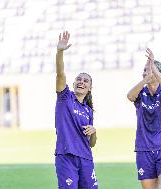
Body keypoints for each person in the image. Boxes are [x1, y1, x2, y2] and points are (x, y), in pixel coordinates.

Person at [127, 48, 161, 189]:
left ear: (159, 73)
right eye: (144, 70)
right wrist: (145, 80)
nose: (146, 72)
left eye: (149, 70)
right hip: (144, 149)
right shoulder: (141, 92)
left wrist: (153, 68)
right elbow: (130, 96)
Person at [54, 31, 98, 189]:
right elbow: (60, 74)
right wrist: (60, 52)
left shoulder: (88, 111)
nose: (82, 82)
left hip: (86, 158)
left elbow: (91, 144)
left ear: (90, 87)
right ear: (73, 83)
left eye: (86, 81)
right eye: (79, 79)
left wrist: (94, 131)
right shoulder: (65, 98)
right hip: (66, 157)